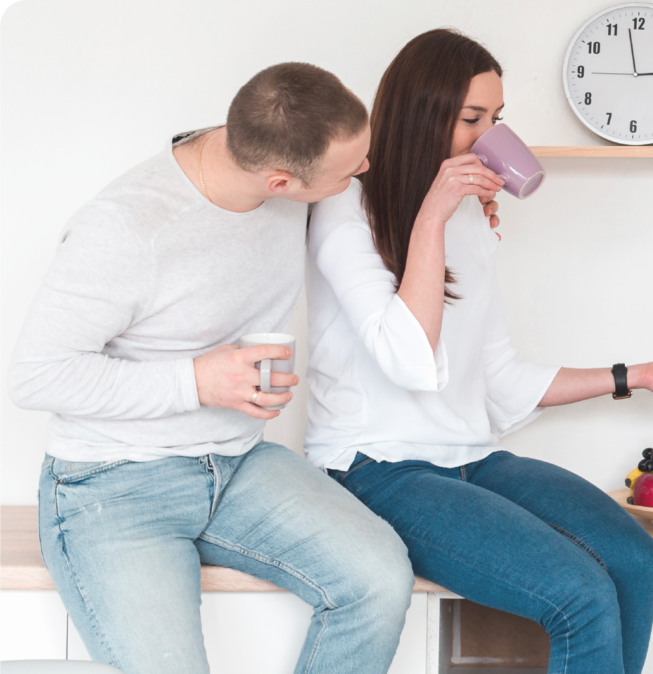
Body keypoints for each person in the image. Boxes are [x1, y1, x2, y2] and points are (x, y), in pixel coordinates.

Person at [304, 29, 653, 674]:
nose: (488, 136)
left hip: (472, 456)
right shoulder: (345, 206)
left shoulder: (471, 217)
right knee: (578, 595)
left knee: (635, 560)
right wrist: (432, 217)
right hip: (375, 468)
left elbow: (497, 378)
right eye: (472, 119)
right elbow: (408, 359)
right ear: (421, 112)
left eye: (496, 120)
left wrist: (633, 375)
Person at [8, 63, 414, 674]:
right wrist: (196, 380)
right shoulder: (123, 230)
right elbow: (34, 374)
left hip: (238, 464)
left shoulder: (260, 150)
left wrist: (459, 207)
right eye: (350, 168)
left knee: (378, 580)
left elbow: (350, 171)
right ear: (281, 181)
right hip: (113, 486)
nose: (362, 172)